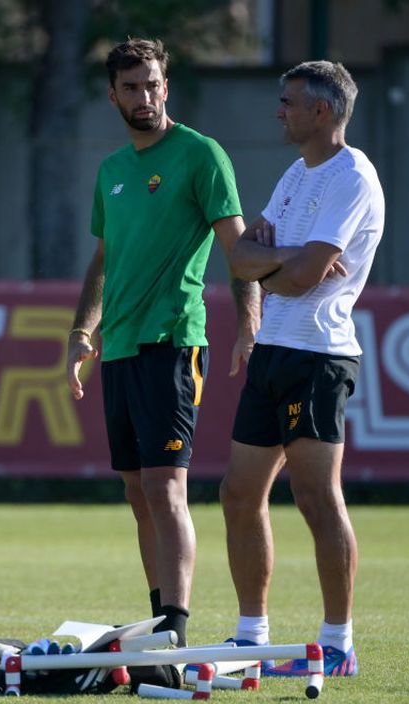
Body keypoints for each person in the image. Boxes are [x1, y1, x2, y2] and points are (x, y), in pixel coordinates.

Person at [65, 38, 258, 649]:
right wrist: (81, 332)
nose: (144, 97)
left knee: (164, 485)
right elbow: (102, 259)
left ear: (166, 86)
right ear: (112, 94)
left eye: (152, 84)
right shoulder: (111, 171)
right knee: (135, 491)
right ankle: (155, 621)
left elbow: (239, 249)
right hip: (117, 349)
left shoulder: (201, 155)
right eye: (131, 87)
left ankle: (174, 627)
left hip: (173, 342)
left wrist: (250, 319)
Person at [221, 60, 385, 677]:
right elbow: (241, 259)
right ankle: (250, 638)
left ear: (322, 111)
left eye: (289, 101)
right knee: (238, 493)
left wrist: (276, 260)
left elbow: (301, 280)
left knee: (316, 496)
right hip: (272, 352)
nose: (279, 110)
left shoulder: (352, 177)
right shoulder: (296, 173)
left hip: (319, 355)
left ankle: (338, 643)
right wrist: (281, 257)